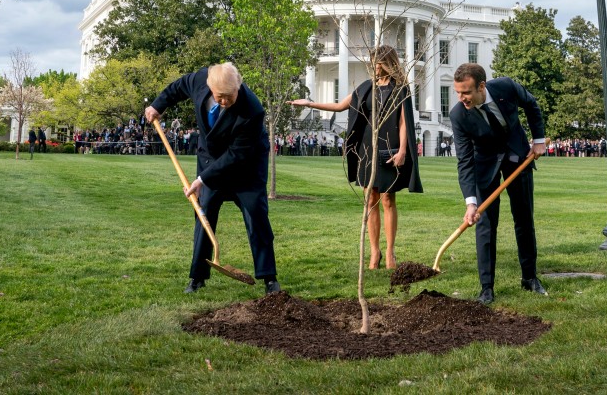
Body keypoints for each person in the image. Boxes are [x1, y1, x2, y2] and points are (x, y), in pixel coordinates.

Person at [145, 62, 280, 295]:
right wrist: (158, 105)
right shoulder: (199, 79)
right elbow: (178, 87)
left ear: (238, 86)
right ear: (209, 87)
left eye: (230, 96)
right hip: (210, 158)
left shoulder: (252, 109)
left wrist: (201, 180)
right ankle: (197, 277)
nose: (225, 101)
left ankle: (269, 278)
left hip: (245, 166)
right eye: (220, 97)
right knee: (203, 212)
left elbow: (237, 154)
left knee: (256, 214)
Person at [289, 45, 423, 270]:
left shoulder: (400, 89)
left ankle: (390, 252)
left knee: (388, 199)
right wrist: (309, 103)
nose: (373, 66)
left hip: (389, 148)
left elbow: (403, 122)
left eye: (377, 62)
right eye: (372, 62)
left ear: (387, 63)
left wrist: (402, 151)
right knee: (370, 200)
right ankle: (375, 252)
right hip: (366, 150)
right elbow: (340, 105)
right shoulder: (366, 88)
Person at [449, 63, 547, 305]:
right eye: (458, 93)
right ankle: (486, 288)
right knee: (485, 225)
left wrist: (539, 140)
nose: (462, 98)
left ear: (481, 86)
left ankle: (529, 278)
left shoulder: (506, 87)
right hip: (485, 163)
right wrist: (471, 202)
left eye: (466, 93)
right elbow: (464, 160)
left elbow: (531, 105)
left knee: (524, 218)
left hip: (517, 156)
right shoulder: (459, 114)